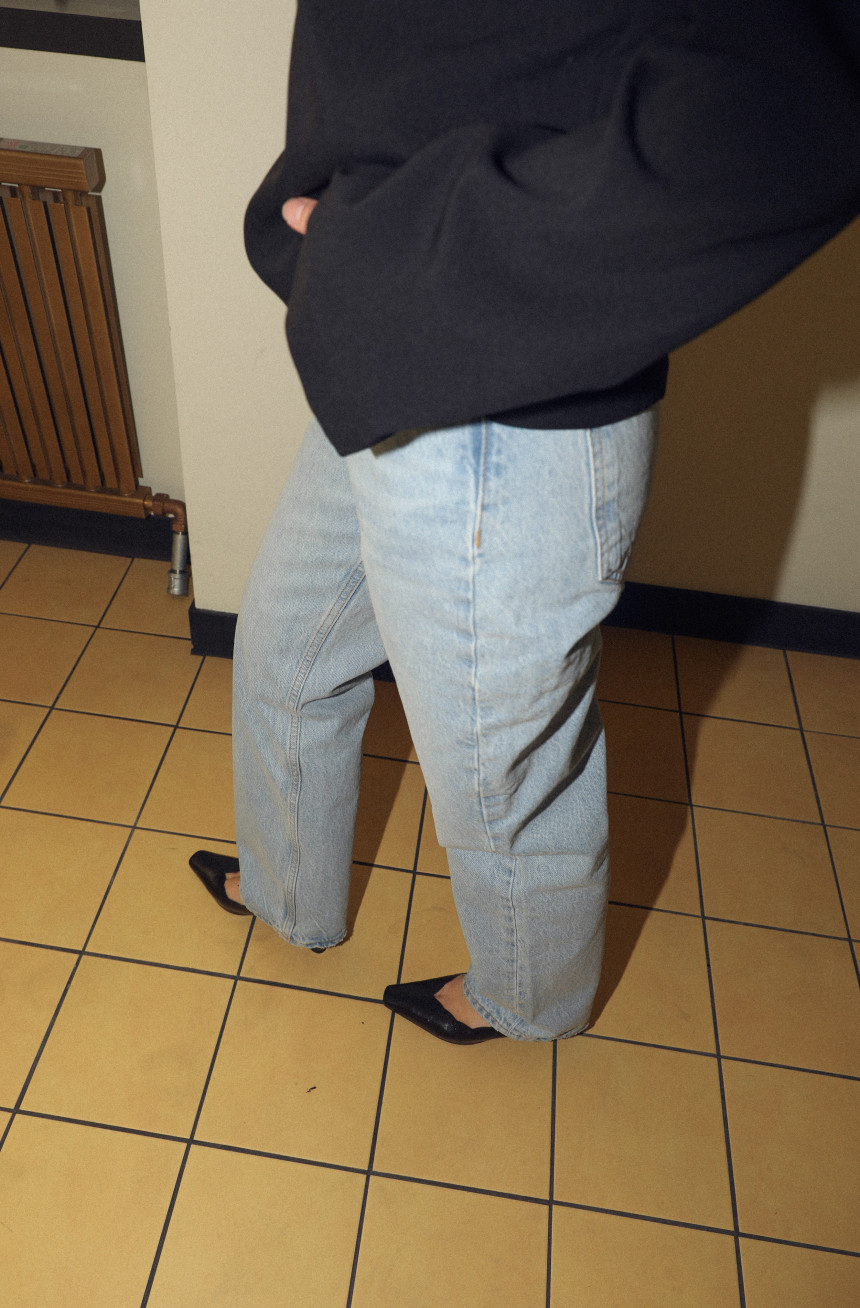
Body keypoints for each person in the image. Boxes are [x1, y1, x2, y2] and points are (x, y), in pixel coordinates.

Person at [191, 0, 860, 1044]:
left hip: (503, 410)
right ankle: (289, 893)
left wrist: (414, 249)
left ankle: (526, 998)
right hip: (381, 352)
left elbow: (787, 113)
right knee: (288, 652)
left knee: (499, 778)